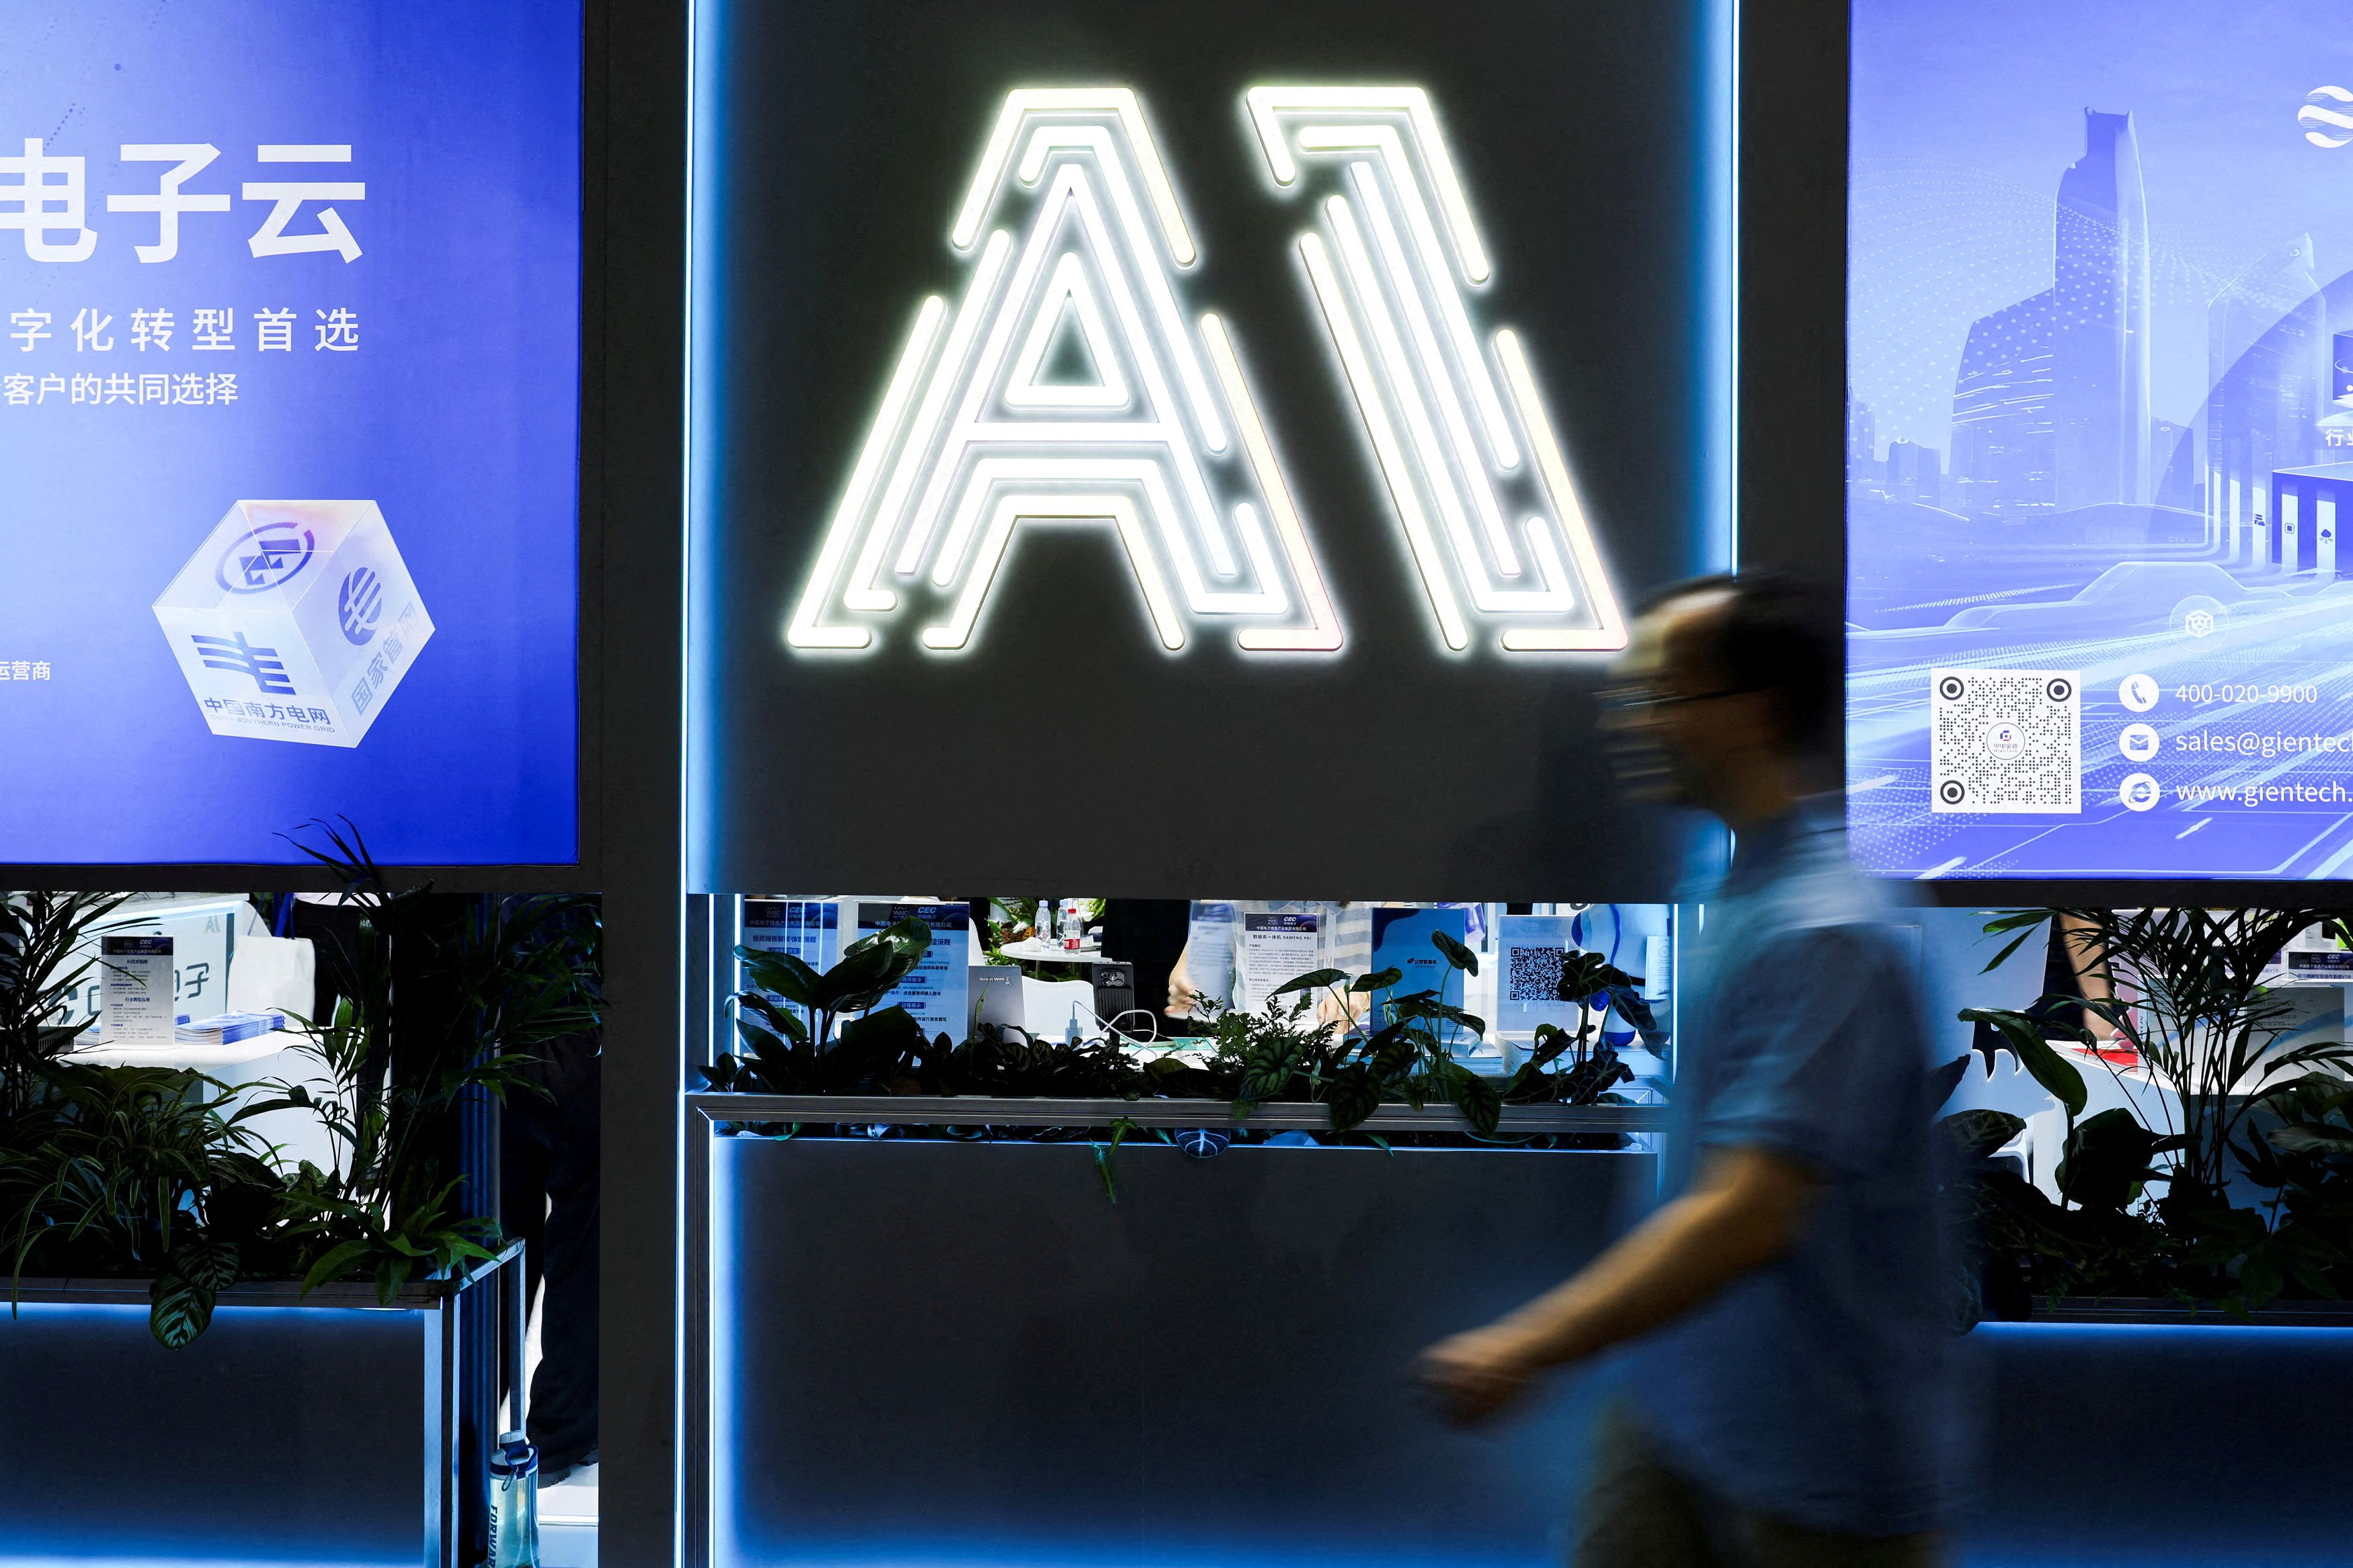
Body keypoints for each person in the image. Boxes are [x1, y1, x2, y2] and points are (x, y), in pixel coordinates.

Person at [1412, 573, 1951, 1567]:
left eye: (1660, 695)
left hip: (1817, 1468)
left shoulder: (1827, 929)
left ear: (1752, 712)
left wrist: (1528, 1344)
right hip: (1681, 1408)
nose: (1631, 722)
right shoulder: (1736, 886)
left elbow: (1748, 1209)